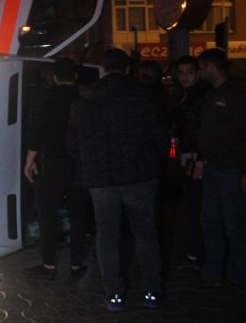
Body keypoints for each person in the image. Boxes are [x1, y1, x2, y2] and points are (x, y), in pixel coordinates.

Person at [67, 48, 168, 311]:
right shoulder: (145, 96)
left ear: (102, 69)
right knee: (145, 234)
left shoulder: (83, 101)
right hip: (140, 176)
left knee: (107, 236)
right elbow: (159, 137)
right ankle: (151, 293)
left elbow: (71, 145)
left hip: (100, 179)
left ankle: (114, 295)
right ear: (127, 69)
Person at [23, 58, 90, 279]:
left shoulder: (48, 98)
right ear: (76, 76)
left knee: (47, 213)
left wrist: (30, 160)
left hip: (53, 163)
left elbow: (37, 130)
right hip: (79, 164)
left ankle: (49, 264)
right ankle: (76, 264)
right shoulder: (83, 98)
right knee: (79, 214)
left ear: (54, 77)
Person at [197, 48, 246, 291]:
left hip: (231, 170)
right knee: (212, 222)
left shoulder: (238, 96)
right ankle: (214, 269)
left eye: (200, 67)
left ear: (210, 67)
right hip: (215, 168)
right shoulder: (214, 94)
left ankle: (237, 274)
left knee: (234, 225)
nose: (199, 72)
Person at [170, 55, 209, 265]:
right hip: (187, 155)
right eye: (181, 72)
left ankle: (198, 249)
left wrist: (201, 159)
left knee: (197, 203)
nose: (184, 77)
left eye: (189, 72)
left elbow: (204, 131)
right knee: (191, 203)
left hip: (196, 156)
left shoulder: (200, 97)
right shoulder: (182, 96)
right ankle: (194, 247)